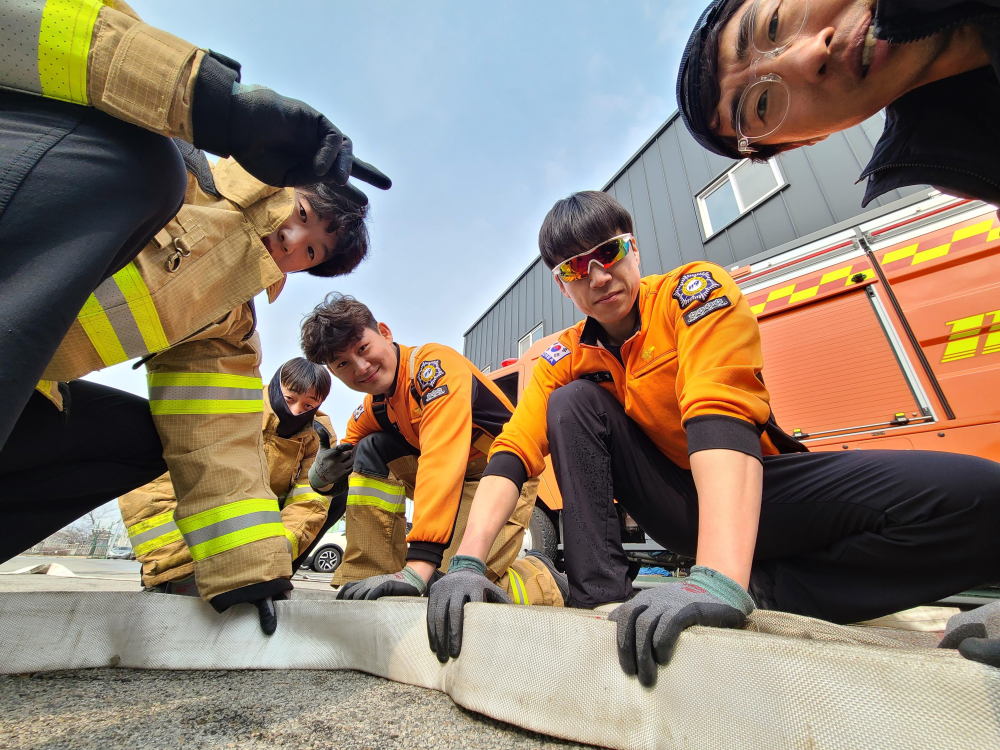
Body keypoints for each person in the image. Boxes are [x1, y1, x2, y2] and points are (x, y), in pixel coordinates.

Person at [426, 190, 1000, 684]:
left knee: (984, 495)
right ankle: (599, 601)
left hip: (760, 485)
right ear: (563, 285)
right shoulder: (560, 355)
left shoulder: (692, 292)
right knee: (573, 402)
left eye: (609, 251)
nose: (598, 275)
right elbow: (513, 453)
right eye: (576, 268)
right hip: (677, 503)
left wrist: (719, 580)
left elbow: (719, 407)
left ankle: (765, 591)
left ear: (633, 247)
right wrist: (467, 564)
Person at [0, 143, 374, 634]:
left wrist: (250, 572)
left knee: (144, 439)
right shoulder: (174, 171)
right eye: (300, 211)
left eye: (310, 251)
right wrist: (207, 96)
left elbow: (212, 439)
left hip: (22, 394)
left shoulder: (230, 323)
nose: (291, 237)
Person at [299, 294, 567, 607]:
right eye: (343, 363)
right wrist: (321, 478)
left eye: (363, 348)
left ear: (385, 333)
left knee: (449, 586)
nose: (361, 367)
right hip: (450, 485)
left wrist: (420, 564)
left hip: (500, 480)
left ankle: (542, 578)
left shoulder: (434, 367)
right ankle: (368, 575)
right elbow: (348, 466)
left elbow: (441, 458)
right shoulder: (372, 410)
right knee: (371, 448)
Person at [676, 0, 1000, 207]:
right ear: (799, 142)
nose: (810, 56)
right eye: (761, 105)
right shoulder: (970, 165)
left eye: (773, 25)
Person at [119, 359, 345, 625]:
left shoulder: (319, 435)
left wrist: (269, 565)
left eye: (308, 405)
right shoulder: (236, 406)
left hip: (258, 537)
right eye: (289, 398)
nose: (296, 411)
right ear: (274, 387)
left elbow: (308, 503)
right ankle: (180, 577)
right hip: (206, 526)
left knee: (335, 488)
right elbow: (157, 490)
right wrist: (182, 569)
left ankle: (271, 581)